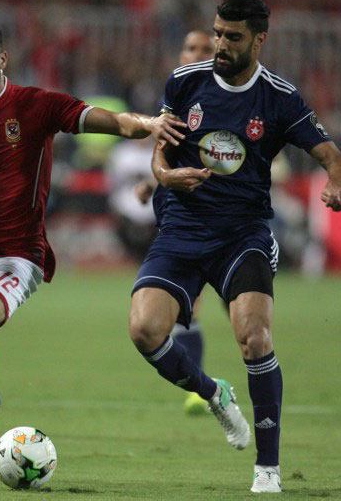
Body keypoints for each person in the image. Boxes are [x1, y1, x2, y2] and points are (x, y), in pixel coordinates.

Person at [0, 16, 185, 476]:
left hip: (18, 255)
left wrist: (148, 123)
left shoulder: (36, 105)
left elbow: (107, 120)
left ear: (2, 58)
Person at [128, 0, 341, 494]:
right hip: (182, 229)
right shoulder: (186, 82)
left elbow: (334, 157)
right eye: (217, 33)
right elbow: (158, 158)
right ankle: (213, 393)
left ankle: (267, 469)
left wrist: (337, 184)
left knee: (254, 337)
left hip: (242, 235)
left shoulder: (279, 97)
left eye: (232, 37)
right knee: (144, 330)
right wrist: (168, 177)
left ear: (258, 39)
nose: (220, 45)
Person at [133, 29, 216, 416]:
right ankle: (201, 388)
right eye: (191, 49)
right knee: (191, 306)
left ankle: (209, 388)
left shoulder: (223, 99)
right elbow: (171, 154)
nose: (197, 55)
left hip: (225, 217)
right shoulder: (177, 96)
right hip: (182, 215)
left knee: (245, 320)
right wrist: (155, 180)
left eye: (206, 49)